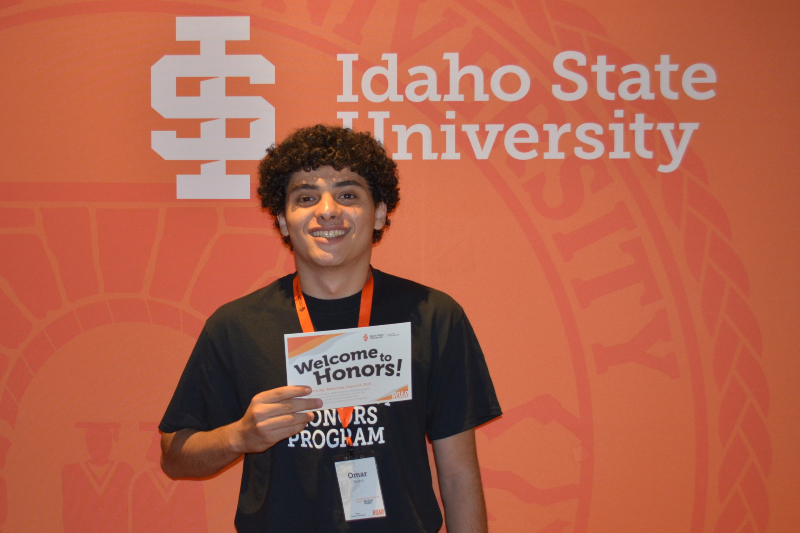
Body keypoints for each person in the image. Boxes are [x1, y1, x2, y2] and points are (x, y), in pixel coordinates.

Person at [159, 124, 502, 532]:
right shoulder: (236, 326)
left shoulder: (433, 317)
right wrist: (239, 437)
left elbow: (459, 476)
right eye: (305, 197)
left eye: (348, 195)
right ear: (282, 220)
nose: (327, 210)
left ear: (379, 213)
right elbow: (174, 456)